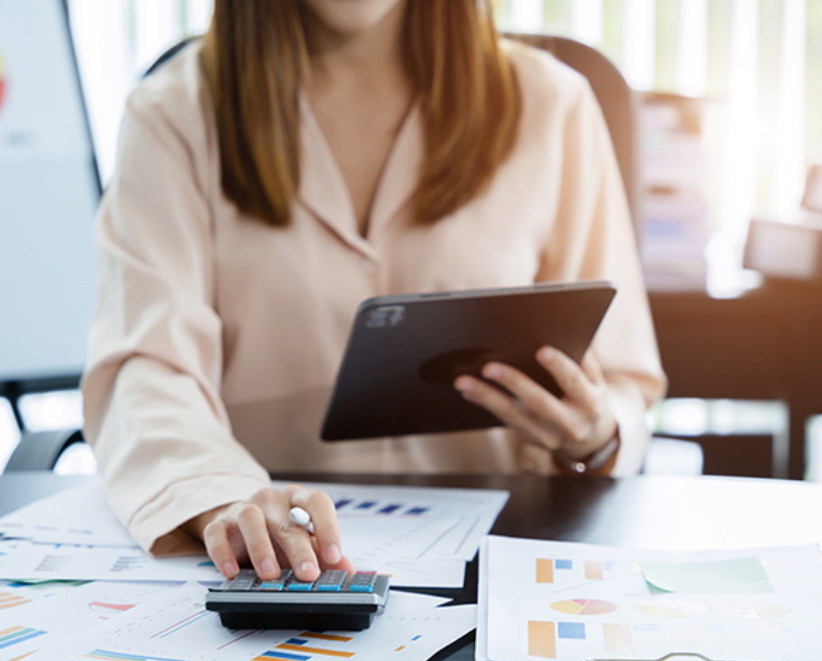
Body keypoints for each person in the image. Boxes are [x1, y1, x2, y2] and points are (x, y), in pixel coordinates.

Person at [81, 0, 666, 585]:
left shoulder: (552, 104)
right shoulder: (172, 114)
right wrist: (221, 497)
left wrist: (594, 436)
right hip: (275, 575)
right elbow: (148, 370)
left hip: (503, 570)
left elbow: (617, 379)